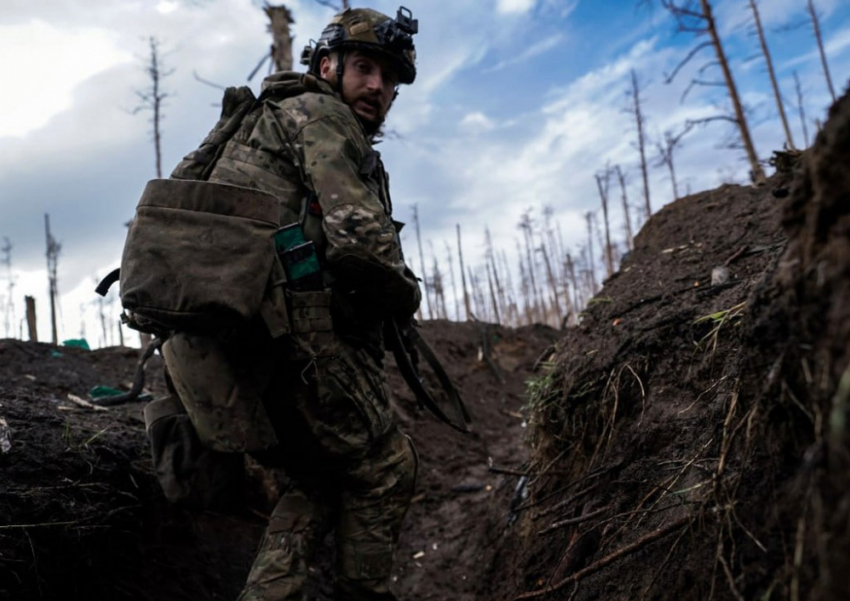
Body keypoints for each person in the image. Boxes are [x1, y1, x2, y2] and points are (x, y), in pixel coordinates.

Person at [162, 7, 422, 601]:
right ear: (326, 67)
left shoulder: (265, 118)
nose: (377, 87)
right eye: (363, 68)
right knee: (386, 465)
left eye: (389, 78)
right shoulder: (322, 115)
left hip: (215, 351)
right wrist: (405, 293)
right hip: (279, 344)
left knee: (321, 476)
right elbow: (360, 239)